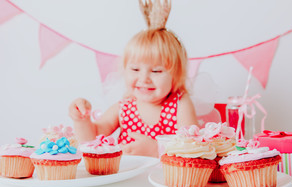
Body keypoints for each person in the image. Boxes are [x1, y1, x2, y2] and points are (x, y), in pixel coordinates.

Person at [68, 0, 198, 157]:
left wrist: (156, 150)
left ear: (176, 75)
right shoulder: (124, 108)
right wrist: (81, 120)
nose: (144, 78)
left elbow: (192, 147)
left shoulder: (180, 104)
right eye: (135, 69)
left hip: (166, 179)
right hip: (129, 179)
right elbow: (92, 139)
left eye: (156, 71)